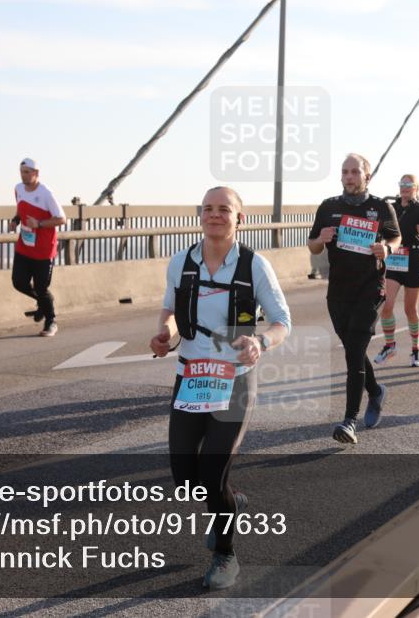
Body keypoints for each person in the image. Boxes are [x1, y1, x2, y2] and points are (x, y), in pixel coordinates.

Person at [150, 186, 291, 590]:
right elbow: (171, 310)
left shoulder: (254, 265)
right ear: (200, 215)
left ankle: (225, 554)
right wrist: (165, 333)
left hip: (235, 380)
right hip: (191, 378)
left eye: (224, 209)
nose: (215, 215)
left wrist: (260, 341)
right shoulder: (181, 262)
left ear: (239, 219)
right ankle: (231, 501)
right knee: (186, 478)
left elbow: (282, 321)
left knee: (212, 472)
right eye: (208, 208)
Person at [308, 153, 401, 445]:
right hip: (338, 291)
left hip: (370, 288)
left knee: (355, 348)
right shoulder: (328, 207)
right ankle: (375, 391)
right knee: (352, 347)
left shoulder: (381, 207)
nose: (349, 176)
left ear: (366, 176)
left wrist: (387, 248)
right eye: (345, 172)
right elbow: (313, 246)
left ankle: (350, 420)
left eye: (355, 172)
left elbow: (395, 237)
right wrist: (321, 238)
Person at [376, 175, 419, 367]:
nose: (405, 187)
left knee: (410, 309)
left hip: (413, 261)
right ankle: (389, 345)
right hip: (394, 260)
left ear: (416, 188)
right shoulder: (392, 207)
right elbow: (382, 228)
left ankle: (416, 349)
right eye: (402, 184)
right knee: (386, 306)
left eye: (409, 184)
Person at [8, 158, 66, 337]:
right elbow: (20, 210)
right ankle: (44, 301)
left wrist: (39, 224)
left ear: (36, 173)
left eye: (27, 172)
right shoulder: (18, 189)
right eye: (21, 172)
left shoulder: (46, 193)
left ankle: (51, 321)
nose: (23, 175)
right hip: (25, 246)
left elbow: (62, 219)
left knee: (41, 288)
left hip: (43, 250)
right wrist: (15, 220)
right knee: (19, 282)